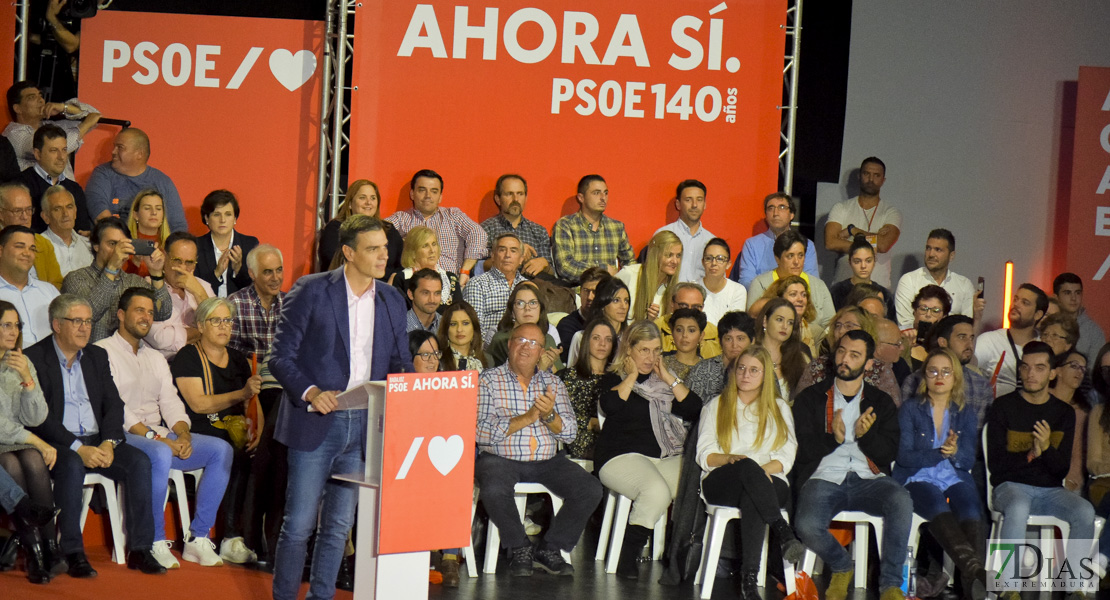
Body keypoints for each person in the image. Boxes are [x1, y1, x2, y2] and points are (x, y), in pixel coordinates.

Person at [269, 215, 411, 600]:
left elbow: (401, 363)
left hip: (366, 425)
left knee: (338, 526)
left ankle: (321, 596)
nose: (384, 256)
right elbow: (280, 356)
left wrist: (412, 403)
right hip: (316, 422)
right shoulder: (311, 290)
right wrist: (312, 391)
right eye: (373, 249)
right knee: (298, 525)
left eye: (385, 247)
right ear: (349, 253)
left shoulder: (392, 298)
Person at [26, 294, 165, 576]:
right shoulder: (35, 358)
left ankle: (140, 549)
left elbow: (114, 405)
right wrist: (78, 447)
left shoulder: (97, 356)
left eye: (88, 322)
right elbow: (40, 418)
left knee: (139, 462)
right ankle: (73, 552)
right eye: (76, 321)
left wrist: (109, 442)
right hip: (58, 443)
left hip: (98, 440)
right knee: (73, 464)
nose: (84, 328)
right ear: (56, 324)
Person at [96, 288, 233, 569]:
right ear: (121, 315)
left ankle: (198, 538)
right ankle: (155, 540)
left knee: (221, 449)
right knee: (158, 452)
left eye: (150, 312)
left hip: (158, 432)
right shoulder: (102, 352)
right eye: (139, 310)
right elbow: (116, 408)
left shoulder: (155, 357)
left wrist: (182, 433)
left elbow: (170, 402)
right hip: (123, 435)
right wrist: (154, 436)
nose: (146, 317)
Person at [476, 322, 603, 577]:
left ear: (541, 351)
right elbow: (480, 432)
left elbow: (569, 432)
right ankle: (519, 546)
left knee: (590, 488)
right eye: (521, 340)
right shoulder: (488, 380)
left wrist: (549, 416)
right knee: (493, 487)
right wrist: (529, 416)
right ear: (509, 344)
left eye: (534, 343)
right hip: (501, 458)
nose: (526, 347)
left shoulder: (553, 383)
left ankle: (551, 548)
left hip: (548, 461)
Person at [792, 330, 911, 600]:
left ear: (869, 364)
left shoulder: (881, 401)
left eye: (855, 355)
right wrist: (831, 438)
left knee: (901, 499)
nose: (845, 359)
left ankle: (891, 584)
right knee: (807, 525)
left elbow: (889, 452)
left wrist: (866, 436)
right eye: (842, 351)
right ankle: (842, 565)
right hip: (822, 477)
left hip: (868, 478)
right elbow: (801, 451)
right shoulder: (810, 398)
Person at [986, 341, 1095, 599]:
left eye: (1039, 368)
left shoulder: (1063, 413)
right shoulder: (1003, 407)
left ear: (1052, 373)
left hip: (1050, 490)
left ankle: (1076, 587)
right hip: (1009, 488)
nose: (1031, 374)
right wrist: (1032, 455)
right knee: (1019, 506)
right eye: (1026, 367)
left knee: (1084, 510)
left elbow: (1059, 471)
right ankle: (1007, 587)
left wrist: (1045, 449)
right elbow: (997, 466)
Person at [696, 346, 804, 599]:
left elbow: (787, 454)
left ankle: (749, 581)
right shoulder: (717, 405)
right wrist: (731, 460)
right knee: (746, 465)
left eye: (754, 370)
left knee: (753, 493)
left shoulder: (779, 407)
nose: (745, 374)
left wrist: (758, 472)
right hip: (723, 478)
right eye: (741, 368)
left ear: (765, 375)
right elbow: (704, 454)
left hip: (768, 480)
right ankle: (782, 531)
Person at [595, 320, 701, 579]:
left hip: (663, 456)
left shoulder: (662, 385)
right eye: (644, 350)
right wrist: (631, 375)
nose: (651, 357)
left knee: (693, 483)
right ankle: (627, 554)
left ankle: (679, 556)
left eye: (656, 351)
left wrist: (668, 377)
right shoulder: (612, 378)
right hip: (619, 457)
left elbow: (696, 409)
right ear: (628, 349)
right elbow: (611, 406)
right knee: (656, 492)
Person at [171, 297, 262, 564]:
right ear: (200, 324)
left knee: (262, 450)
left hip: (235, 428)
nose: (224, 327)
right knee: (234, 450)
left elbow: (251, 400)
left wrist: (258, 431)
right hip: (201, 428)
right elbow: (198, 404)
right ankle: (229, 537)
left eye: (228, 321)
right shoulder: (188, 356)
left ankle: (251, 537)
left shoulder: (237, 359)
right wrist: (240, 394)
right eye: (216, 321)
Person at [894, 348, 987, 600]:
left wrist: (955, 452)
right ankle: (977, 573)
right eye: (933, 370)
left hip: (952, 473)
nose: (939, 376)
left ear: (955, 377)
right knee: (935, 502)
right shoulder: (911, 409)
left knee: (970, 507)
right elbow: (904, 457)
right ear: (924, 376)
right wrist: (940, 453)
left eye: (946, 371)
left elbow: (967, 459)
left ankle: (972, 586)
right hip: (916, 474)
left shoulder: (964, 412)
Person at [227, 244, 287, 569]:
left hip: (282, 391)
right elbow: (231, 361)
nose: (276, 277)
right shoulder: (235, 305)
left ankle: (255, 538)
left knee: (276, 442)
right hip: (245, 390)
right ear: (251, 274)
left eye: (279, 270)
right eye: (268, 272)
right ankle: (264, 540)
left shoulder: (291, 305)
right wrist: (251, 393)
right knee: (271, 444)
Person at [0, 299, 57, 583]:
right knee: (12, 462)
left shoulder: (22, 361)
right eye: (6, 325)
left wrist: (26, 378)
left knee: (33, 458)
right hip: (3, 442)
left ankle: (49, 547)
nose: (13, 332)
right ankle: (35, 551)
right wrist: (36, 440)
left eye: (16, 326)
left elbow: (36, 417)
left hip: (17, 438)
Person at [61, 217, 171, 343]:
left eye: (122, 245)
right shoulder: (76, 278)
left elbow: (163, 312)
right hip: (90, 356)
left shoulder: (134, 282)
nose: (118, 250)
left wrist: (156, 273)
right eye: (112, 244)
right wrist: (112, 268)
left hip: (128, 357)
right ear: (96, 246)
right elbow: (88, 315)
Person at [386, 169, 486, 279]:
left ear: (440, 197)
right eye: (422, 190)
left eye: (434, 191)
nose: (428, 196)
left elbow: (478, 234)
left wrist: (465, 271)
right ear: (412, 194)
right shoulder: (401, 219)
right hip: (413, 288)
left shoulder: (453, 216)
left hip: (451, 286)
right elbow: (378, 231)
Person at [794, 305, 902, 405]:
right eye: (837, 326)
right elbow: (801, 405)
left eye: (848, 326)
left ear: (865, 329)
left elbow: (892, 410)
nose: (841, 331)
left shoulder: (880, 369)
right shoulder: (817, 366)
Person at [85, 129, 186, 231]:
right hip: (114, 244)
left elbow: (178, 227)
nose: (113, 152)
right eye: (114, 146)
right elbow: (100, 214)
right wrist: (128, 243)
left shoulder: (163, 182)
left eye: (120, 147)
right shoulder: (103, 174)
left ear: (139, 154)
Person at [824, 157, 902, 287]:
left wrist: (852, 230)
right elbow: (830, 242)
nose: (871, 179)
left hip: (878, 288)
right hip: (844, 286)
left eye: (876, 175)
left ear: (883, 180)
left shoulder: (891, 212)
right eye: (867, 174)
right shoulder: (841, 208)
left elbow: (883, 245)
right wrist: (874, 239)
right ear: (859, 176)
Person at [3, 81, 100, 180]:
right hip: (40, 194)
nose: (41, 100)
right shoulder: (13, 134)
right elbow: (51, 147)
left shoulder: (50, 126)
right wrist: (85, 125)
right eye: (32, 97)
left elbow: (96, 117)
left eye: (40, 96)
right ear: (17, 108)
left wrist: (63, 107)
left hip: (67, 192)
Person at [144, 232, 213, 360]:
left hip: (202, 364)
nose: (182, 268)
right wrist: (202, 331)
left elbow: (217, 328)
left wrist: (198, 293)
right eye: (177, 260)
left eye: (189, 262)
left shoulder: (203, 287)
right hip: (162, 367)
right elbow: (160, 339)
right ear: (164, 256)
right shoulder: (148, 287)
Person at [747, 230, 835, 330]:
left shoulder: (819, 285)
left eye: (800, 255)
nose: (796, 262)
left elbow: (830, 324)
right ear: (777, 259)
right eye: (790, 256)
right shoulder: (760, 283)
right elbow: (751, 321)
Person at [552, 174, 634, 280]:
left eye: (605, 193)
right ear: (581, 198)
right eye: (596, 193)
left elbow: (631, 264)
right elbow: (565, 267)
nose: (603, 198)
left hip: (609, 292)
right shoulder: (565, 225)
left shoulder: (616, 227)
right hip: (577, 291)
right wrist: (602, 269)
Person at [317, 180, 403, 279]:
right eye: (362, 198)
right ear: (349, 203)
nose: (368, 202)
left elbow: (401, 263)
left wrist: (392, 280)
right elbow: (334, 261)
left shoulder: (388, 229)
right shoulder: (336, 229)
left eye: (373, 198)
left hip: (385, 288)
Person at [556, 318, 616, 460]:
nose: (602, 344)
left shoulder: (617, 378)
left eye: (608, 340)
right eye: (596, 338)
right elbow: (561, 418)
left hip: (612, 440)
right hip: (579, 441)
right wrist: (592, 423)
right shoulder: (568, 376)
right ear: (586, 341)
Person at [733, 192, 819, 287]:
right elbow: (746, 282)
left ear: (792, 215)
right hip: (762, 298)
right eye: (771, 208)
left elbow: (812, 281)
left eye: (782, 207)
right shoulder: (751, 245)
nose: (775, 213)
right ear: (766, 215)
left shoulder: (807, 244)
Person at [893, 229, 976, 329]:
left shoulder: (964, 285)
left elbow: (966, 326)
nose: (931, 254)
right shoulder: (909, 280)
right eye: (928, 248)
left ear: (951, 255)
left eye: (938, 250)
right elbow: (905, 325)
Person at [975, 283, 1046, 398]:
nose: (1016, 304)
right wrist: (976, 320)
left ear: (1038, 314)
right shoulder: (990, 340)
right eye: (1016, 299)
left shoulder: (1044, 346)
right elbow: (967, 366)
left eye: (1025, 303)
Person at [18, 124, 91, 233]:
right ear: (37, 154)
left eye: (64, 150)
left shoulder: (74, 189)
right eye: (54, 150)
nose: (61, 157)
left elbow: (82, 231)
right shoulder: (21, 185)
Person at [480, 174, 553, 278]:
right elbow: (479, 266)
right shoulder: (486, 229)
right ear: (498, 199)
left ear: (526, 198)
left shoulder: (538, 231)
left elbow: (551, 272)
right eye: (509, 194)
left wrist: (544, 263)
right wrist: (518, 251)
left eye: (520, 194)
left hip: (535, 287)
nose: (516, 199)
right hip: (499, 286)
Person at [0, 225, 59, 345]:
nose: (27, 253)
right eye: (19, 247)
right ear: (1, 251)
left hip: (51, 361)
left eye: (32, 249)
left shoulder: (49, 291)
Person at [194, 190, 259, 298]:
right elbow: (193, 288)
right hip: (205, 310)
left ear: (235, 218)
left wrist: (238, 269)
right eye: (216, 214)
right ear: (206, 218)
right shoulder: (196, 246)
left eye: (228, 214)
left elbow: (255, 288)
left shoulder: (249, 244)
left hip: (240, 311)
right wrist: (216, 274)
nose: (222, 220)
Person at [464, 232, 527, 343]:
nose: (507, 255)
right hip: (490, 349)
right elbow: (474, 329)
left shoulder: (526, 285)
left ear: (521, 259)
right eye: (502, 250)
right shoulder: (477, 284)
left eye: (513, 251)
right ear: (492, 255)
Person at [486, 282, 562, 371]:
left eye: (533, 303)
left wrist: (551, 364)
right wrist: (540, 368)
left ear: (540, 309)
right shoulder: (501, 339)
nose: (527, 308)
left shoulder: (548, 339)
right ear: (512, 312)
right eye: (520, 303)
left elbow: (559, 378)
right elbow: (504, 379)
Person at [0, 183, 62, 289]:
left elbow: (57, 284)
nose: (25, 217)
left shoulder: (43, 243)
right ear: (1, 214)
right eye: (17, 211)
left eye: (28, 210)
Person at [654, 179, 715, 283]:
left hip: (702, 297)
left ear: (705, 204)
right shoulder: (663, 235)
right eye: (688, 200)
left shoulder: (712, 241)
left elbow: (717, 279)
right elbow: (652, 271)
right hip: (668, 296)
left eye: (699, 200)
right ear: (678, 204)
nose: (694, 205)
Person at [687, 311, 755, 402]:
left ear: (752, 341)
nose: (734, 345)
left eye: (740, 339)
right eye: (728, 339)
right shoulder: (703, 370)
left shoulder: (762, 370)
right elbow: (689, 408)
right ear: (720, 341)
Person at [616, 229, 682, 322]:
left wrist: (655, 322)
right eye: (669, 255)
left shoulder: (676, 290)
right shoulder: (630, 274)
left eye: (678, 255)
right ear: (655, 254)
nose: (675, 261)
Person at [1051, 349, 1091, 494]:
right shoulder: (1041, 399)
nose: (1079, 372)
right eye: (1074, 366)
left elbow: (1078, 455)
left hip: (1066, 479)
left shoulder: (1081, 413)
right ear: (1059, 370)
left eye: (1083, 368)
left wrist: (1072, 480)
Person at [392, 226, 461, 309]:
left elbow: (459, 312)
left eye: (434, 244)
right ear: (413, 252)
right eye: (425, 246)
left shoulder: (450, 278)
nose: (432, 250)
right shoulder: (403, 279)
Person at [1086, 342, 1110, 579]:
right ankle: (1102, 557)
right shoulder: (1099, 412)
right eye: (1106, 371)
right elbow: (1092, 463)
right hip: (1104, 485)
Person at [567, 277, 630, 365]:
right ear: (603, 304)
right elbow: (571, 375)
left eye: (626, 301)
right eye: (616, 300)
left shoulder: (631, 339)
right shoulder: (581, 338)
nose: (623, 306)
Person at [829, 235, 895, 316]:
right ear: (850, 262)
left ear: (874, 262)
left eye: (868, 261)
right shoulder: (838, 291)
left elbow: (890, 324)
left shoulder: (885, 294)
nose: (863, 266)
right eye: (857, 261)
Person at [759, 274, 824, 355]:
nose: (800, 299)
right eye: (793, 294)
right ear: (780, 299)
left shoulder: (817, 332)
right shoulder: (764, 328)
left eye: (804, 295)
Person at [555, 267, 609, 363]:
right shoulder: (567, 325)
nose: (589, 297)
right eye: (586, 290)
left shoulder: (612, 322)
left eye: (595, 292)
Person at [655, 282, 722, 358]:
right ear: (672, 304)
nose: (689, 311)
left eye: (695, 307)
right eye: (683, 306)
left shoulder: (715, 334)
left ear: (702, 307)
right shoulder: (656, 329)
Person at [37, 185, 91, 277]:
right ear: (46, 217)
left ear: (75, 212)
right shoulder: (37, 247)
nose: (65, 214)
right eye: (57, 209)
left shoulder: (89, 245)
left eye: (69, 207)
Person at [1053, 272, 1106, 365]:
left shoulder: (1094, 331)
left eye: (1077, 293)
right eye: (1067, 293)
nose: (1073, 298)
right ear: (1056, 297)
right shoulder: (1047, 326)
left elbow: (1095, 371)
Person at [122, 189, 171, 278]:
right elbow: (117, 281)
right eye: (147, 208)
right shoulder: (125, 244)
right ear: (135, 215)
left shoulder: (171, 245)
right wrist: (135, 263)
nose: (154, 212)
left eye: (158, 208)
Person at [700, 238, 746, 326]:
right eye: (709, 258)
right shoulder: (693, 288)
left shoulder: (737, 291)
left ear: (728, 264)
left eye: (720, 259)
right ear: (703, 262)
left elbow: (735, 326)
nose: (714, 263)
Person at [904, 285, 952, 369]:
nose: (928, 315)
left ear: (944, 316)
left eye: (935, 311)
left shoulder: (947, 343)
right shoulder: (902, 337)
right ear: (915, 311)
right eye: (923, 309)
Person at [438, 301, 486, 372]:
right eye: (453, 324)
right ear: (446, 329)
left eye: (465, 323)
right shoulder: (437, 361)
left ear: (474, 327)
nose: (459, 329)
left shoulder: (489, 359)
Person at [662, 308, 706, 380]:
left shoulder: (708, 369)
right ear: (672, 333)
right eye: (679, 330)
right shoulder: (661, 364)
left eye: (691, 330)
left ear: (701, 335)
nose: (684, 335)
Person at [874, 318, 912, 387]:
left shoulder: (900, 366)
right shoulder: (864, 370)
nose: (902, 348)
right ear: (878, 347)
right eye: (897, 344)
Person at [405, 268, 444, 333]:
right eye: (425, 293)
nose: (432, 299)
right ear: (411, 294)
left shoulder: (447, 325)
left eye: (437, 293)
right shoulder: (398, 326)